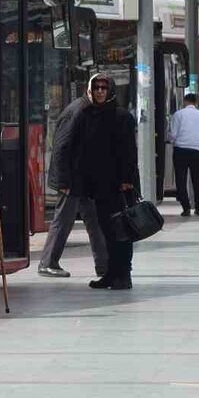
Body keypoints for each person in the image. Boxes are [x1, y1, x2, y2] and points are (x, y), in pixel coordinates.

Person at [70, 73, 139, 289]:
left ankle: (124, 274)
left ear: (110, 91)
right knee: (106, 230)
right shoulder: (85, 115)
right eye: (96, 87)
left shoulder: (122, 116)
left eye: (104, 87)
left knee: (122, 230)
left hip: (119, 184)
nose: (100, 91)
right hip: (97, 184)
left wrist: (127, 179)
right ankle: (110, 273)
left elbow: (129, 151)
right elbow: (78, 148)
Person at [37, 90, 108, 278]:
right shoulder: (78, 111)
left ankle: (104, 266)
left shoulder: (89, 110)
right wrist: (63, 181)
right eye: (98, 88)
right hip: (72, 180)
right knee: (64, 219)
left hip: (84, 179)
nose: (102, 92)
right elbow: (61, 147)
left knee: (95, 220)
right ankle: (47, 262)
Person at [169, 93, 199, 217]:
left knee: (181, 180)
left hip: (180, 150)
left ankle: (186, 208)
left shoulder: (178, 115)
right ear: (195, 102)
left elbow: (173, 135)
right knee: (197, 180)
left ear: (185, 101)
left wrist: (170, 139)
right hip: (197, 151)